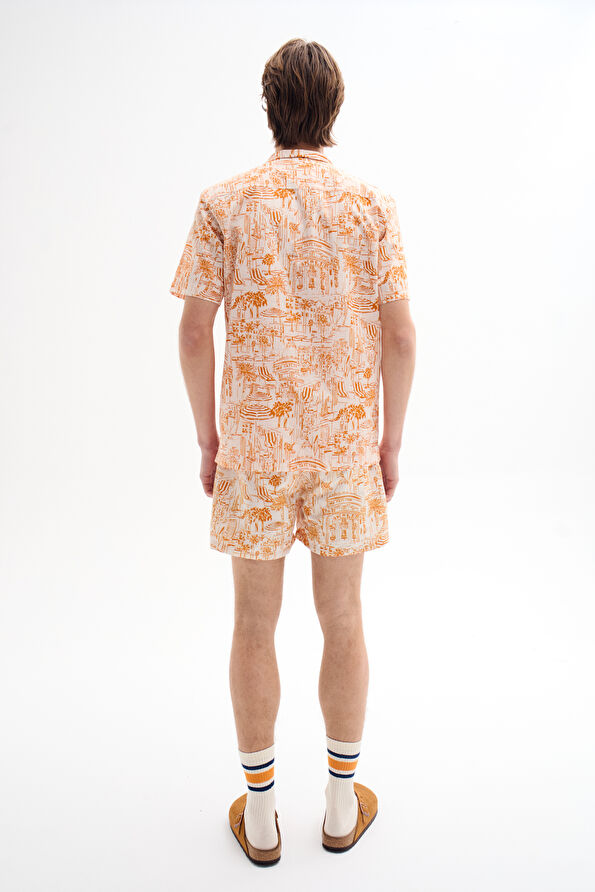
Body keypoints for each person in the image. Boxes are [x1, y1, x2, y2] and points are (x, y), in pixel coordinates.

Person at [169, 37, 416, 866]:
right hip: (344, 447)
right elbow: (401, 336)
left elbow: (194, 330)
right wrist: (388, 440)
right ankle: (341, 805)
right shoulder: (372, 206)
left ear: (268, 106)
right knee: (342, 618)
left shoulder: (223, 203)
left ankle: (262, 813)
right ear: (333, 107)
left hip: (255, 447)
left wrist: (209, 435)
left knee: (252, 622)